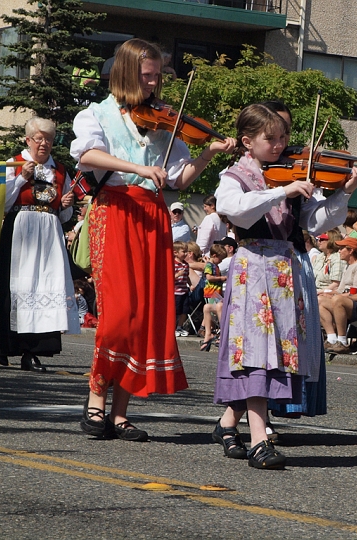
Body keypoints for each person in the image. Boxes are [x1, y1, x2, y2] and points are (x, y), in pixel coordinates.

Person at [70, 38, 237, 441]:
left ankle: (121, 411)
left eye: (157, 76)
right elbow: (87, 156)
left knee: (144, 316)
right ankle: (96, 399)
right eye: (148, 76)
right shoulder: (96, 115)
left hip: (152, 218)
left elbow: (179, 178)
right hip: (116, 211)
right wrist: (140, 170)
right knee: (117, 315)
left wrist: (208, 153)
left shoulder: (162, 121)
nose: (154, 84)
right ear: (128, 72)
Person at [211, 103, 357, 468]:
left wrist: (345, 191)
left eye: (283, 137)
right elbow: (235, 209)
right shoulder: (234, 175)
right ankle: (258, 441)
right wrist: (281, 192)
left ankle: (228, 425)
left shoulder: (288, 175)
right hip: (252, 266)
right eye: (271, 138)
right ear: (247, 141)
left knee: (274, 353)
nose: (281, 144)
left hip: (283, 270)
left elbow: (316, 223)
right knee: (255, 352)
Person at [0, 117, 79, 371]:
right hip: (21, 229)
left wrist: (65, 206)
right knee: (16, 287)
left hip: (49, 233)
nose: (44, 143)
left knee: (45, 285)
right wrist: (21, 178)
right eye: (39, 138)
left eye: (49, 139)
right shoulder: (12, 163)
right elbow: (3, 203)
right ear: (28, 140)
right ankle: (5, 346)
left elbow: (63, 216)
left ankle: (33, 351)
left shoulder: (61, 170)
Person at [200, 243, 227, 352]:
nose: (221, 261)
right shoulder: (209, 265)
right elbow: (209, 277)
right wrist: (221, 278)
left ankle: (211, 332)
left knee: (216, 309)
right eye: (220, 259)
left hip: (217, 292)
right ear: (214, 256)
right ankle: (213, 330)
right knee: (214, 311)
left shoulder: (215, 265)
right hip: (211, 292)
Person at [313, 229, 346, 293]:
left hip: (328, 293)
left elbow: (336, 284)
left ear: (331, 240)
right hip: (315, 290)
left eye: (322, 239)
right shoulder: (320, 256)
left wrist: (318, 292)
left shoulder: (338, 258)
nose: (319, 241)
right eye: (319, 239)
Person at [173, 241, 191, 337]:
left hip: (184, 291)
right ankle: (173, 327)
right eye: (183, 252)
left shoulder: (186, 265)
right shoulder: (173, 264)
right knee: (175, 310)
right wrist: (177, 275)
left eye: (186, 252)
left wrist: (190, 284)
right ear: (175, 252)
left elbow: (187, 276)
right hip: (175, 292)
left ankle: (180, 327)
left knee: (184, 310)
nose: (185, 254)